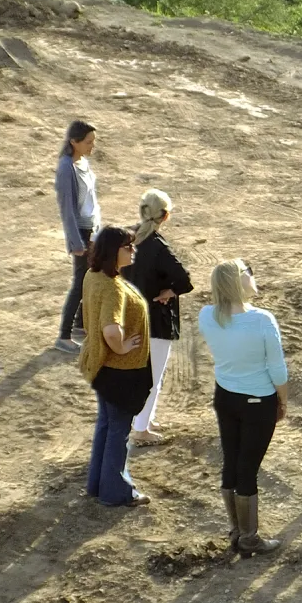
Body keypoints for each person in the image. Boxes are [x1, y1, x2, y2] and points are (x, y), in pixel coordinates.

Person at [198, 259, 289, 554]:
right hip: (257, 401)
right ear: (238, 282)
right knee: (248, 467)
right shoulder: (262, 321)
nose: (253, 275)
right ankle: (249, 538)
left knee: (231, 461)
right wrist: (283, 400)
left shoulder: (207, 316)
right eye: (248, 272)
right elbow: (277, 369)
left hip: (226, 396)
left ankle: (237, 529)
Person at [78, 226, 152, 506]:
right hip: (121, 371)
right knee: (118, 432)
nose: (133, 250)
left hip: (101, 366)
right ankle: (115, 492)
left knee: (107, 426)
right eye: (128, 247)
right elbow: (111, 329)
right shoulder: (112, 288)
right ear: (113, 252)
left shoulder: (93, 275)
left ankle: (98, 485)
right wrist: (121, 346)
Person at [122, 189, 193, 447]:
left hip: (128, 316)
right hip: (156, 320)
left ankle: (142, 420)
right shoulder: (157, 246)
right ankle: (141, 428)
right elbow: (185, 281)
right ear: (165, 216)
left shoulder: (128, 239)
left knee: (138, 373)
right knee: (153, 376)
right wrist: (169, 291)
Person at [55, 120, 100, 353]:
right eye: (89, 142)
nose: (93, 146)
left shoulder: (83, 162)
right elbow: (67, 209)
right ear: (74, 142)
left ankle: (80, 325)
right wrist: (75, 241)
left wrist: (97, 228)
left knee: (90, 278)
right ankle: (64, 336)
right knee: (80, 283)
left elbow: (91, 200)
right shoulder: (66, 168)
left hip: (90, 229)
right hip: (80, 232)